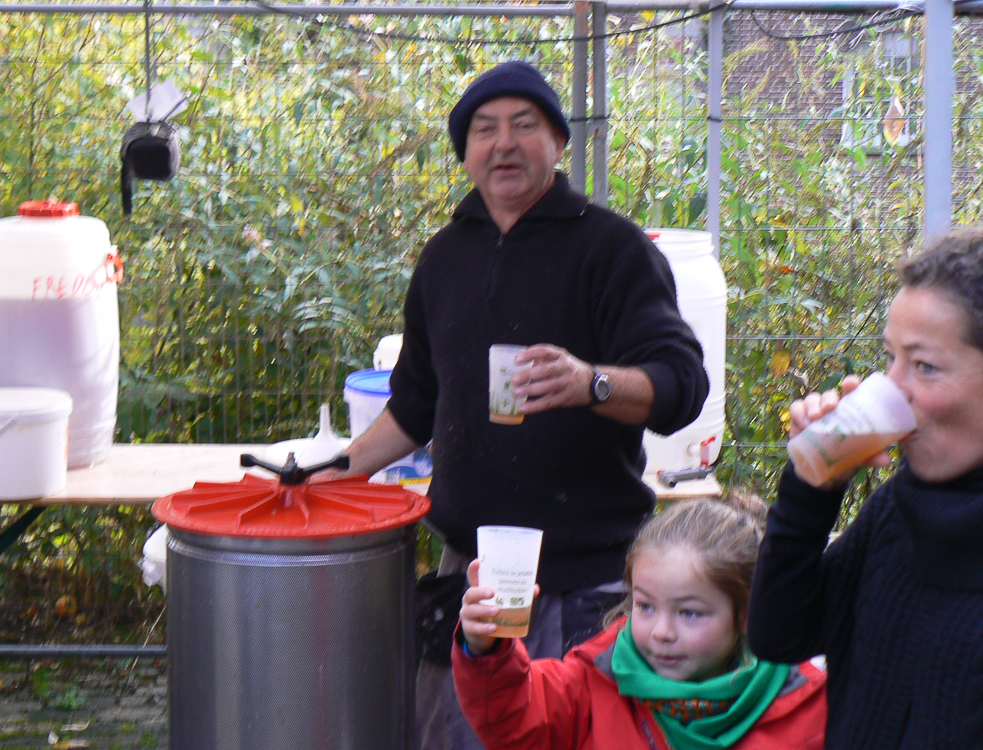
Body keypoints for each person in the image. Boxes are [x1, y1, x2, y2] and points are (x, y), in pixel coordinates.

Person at [330, 60, 708, 748]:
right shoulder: (444, 259)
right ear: (466, 153)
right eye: (484, 129)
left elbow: (681, 385)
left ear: (558, 142)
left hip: (589, 583)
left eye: (524, 125)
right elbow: (414, 405)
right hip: (474, 578)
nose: (503, 143)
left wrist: (591, 382)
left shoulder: (611, 249)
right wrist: (334, 471)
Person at [747, 227, 983, 748]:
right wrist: (812, 488)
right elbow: (779, 634)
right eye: (890, 357)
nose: (891, 387)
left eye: (923, 365)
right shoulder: (898, 511)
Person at [452, 494, 828, 750]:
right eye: (645, 606)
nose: (661, 633)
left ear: (746, 616)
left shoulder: (807, 707)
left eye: (689, 613)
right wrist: (488, 647)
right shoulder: (598, 677)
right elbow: (516, 721)